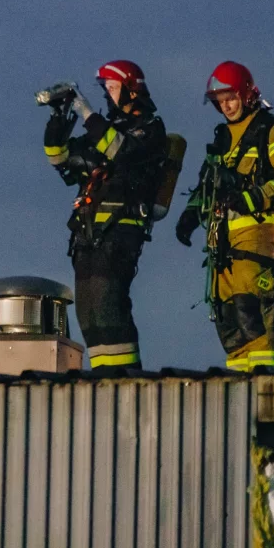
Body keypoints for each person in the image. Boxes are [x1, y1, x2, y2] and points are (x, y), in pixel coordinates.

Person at [175, 61, 274, 371]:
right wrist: (190, 215)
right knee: (226, 314)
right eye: (220, 101)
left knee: (251, 307)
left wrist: (248, 197)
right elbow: (208, 183)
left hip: (257, 234)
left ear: (246, 94)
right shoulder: (222, 137)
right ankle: (238, 386)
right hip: (222, 239)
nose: (227, 106)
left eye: (230, 97)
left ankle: (267, 383)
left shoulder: (272, 130)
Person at [43, 60, 169, 370]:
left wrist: (87, 113)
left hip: (119, 234)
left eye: (112, 88)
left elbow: (120, 152)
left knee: (108, 305)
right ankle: (105, 379)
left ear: (130, 90)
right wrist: (60, 118)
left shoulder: (149, 129)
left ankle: (126, 379)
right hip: (88, 236)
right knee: (88, 311)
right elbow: (62, 159)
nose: (108, 95)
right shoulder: (103, 130)